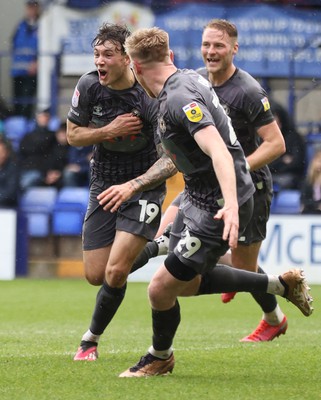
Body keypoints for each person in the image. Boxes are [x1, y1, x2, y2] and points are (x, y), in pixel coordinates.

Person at [118, 26, 313, 378]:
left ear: (135, 66)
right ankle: (279, 286)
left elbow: (221, 152)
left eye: (218, 44)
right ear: (172, 57)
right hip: (199, 193)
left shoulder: (182, 99)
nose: (210, 51)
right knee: (187, 283)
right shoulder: (189, 79)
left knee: (160, 289)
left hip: (218, 202)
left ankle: (159, 357)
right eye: (206, 45)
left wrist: (232, 204)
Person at [67, 23, 177, 361]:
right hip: (103, 183)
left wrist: (136, 184)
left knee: (116, 272)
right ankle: (158, 245)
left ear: (127, 59)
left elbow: (172, 161)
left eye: (108, 55)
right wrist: (109, 130)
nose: (100, 61)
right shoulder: (88, 85)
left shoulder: (148, 98)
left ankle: (89, 341)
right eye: (96, 54)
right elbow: (72, 135)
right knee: (95, 275)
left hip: (143, 186)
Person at [10, 0, 41, 118]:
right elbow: (14, 45)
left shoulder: (41, 26)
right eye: (29, 7)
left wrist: (37, 62)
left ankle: (24, 124)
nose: (31, 10)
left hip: (31, 73)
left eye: (33, 7)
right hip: (17, 71)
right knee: (17, 101)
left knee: (27, 103)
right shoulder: (20, 26)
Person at [269, 100, 306, 191]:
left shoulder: (294, 138)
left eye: (273, 118)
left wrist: (274, 163)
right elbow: (263, 165)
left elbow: (297, 164)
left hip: (289, 177)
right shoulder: (263, 139)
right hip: (270, 176)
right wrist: (282, 160)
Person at [18, 108, 56, 192]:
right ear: (37, 118)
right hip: (25, 168)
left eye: (46, 116)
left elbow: (54, 155)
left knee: (23, 184)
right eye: (42, 116)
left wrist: (49, 171)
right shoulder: (28, 135)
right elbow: (22, 150)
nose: (44, 119)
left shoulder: (53, 136)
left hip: (40, 170)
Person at [0, 137, 20, 207]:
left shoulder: (13, 169)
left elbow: (10, 192)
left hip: (6, 208)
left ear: (7, 153)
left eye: (1, 152)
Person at [300, 148, 321, 214]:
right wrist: (317, 205)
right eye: (318, 161)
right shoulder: (307, 180)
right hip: (309, 211)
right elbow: (303, 199)